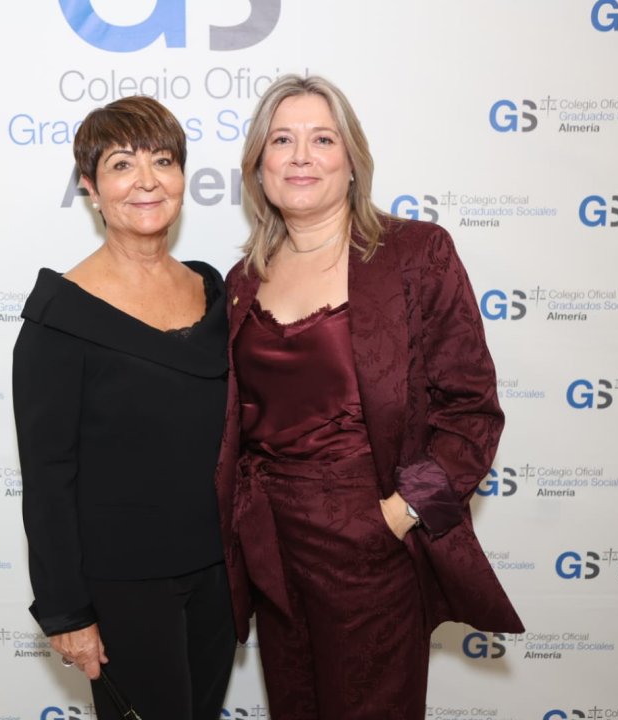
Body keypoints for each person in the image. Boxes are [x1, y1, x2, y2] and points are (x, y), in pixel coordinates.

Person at [215, 75, 524, 719]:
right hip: (273, 545)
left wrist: (401, 513)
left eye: (322, 139)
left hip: (373, 544)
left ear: (353, 161)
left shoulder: (416, 253)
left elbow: (471, 411)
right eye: (282, 141)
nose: (301, 156)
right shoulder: (242, 280)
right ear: (259, 168)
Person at [12, 95, 235, 719]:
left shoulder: (214, 291)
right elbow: (47, 478)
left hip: (218, 574)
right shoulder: (60, 318)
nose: (146, 181)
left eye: (163, 160)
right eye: (121, 164)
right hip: (122, 587)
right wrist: (66, 612)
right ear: (89, 186)